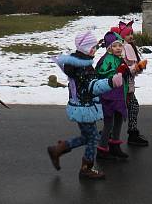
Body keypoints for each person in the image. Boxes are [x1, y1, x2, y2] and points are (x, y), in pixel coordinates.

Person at [46, 30, 126, 181]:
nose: (95, 50)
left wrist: (100, 43)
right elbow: (93, 86)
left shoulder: (78, 61)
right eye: (93, 47)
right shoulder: (83, 67)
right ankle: (86, 168)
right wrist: (111, 82)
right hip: (84, 107)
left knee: (88, 136)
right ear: (85, 49)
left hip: (81, 106)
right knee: (93, 137)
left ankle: (59, 149)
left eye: (95, 47)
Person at [95, 30, 145, 161]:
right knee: (108, 124)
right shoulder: (106, 59)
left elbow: (126, 73)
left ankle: (115, 146)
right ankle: (102, 149)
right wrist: (117, 72)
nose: (118, 48)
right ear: (109, 48)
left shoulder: (119, 58)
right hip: (109, 97)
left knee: (118, 120)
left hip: (120, 95)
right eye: (114, 46)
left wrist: (137, 68)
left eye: (119, 45)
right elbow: (102, 74)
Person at [114, 20, 148, 147]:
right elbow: (127, 71)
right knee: (130, 108)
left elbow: (131, 71)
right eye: (128, 34)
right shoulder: (125, 48)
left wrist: (138, 68)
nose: (131, 36)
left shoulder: (128, 47)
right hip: (124, 87)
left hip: (127, 85)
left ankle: (123, 133)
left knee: (130, 108)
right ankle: (113, 135)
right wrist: (138, 67)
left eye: (132, 34)